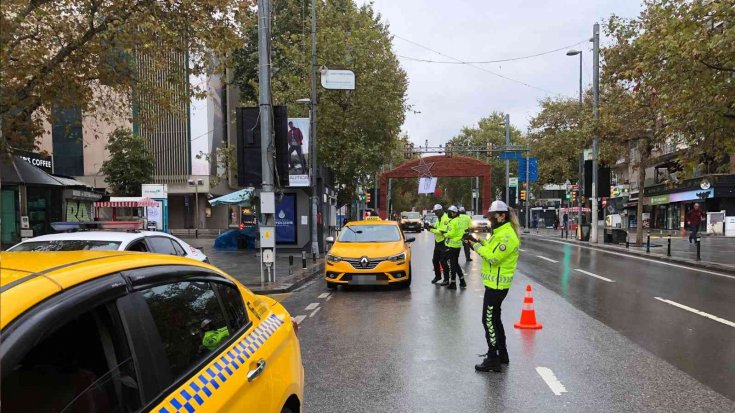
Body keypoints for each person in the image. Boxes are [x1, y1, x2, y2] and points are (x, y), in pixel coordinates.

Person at [464, 200, 520, 373]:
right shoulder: (500, 232)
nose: (490, 219)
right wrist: (475, 240)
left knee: (488, 320)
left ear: (502, 216)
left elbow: (493, 257)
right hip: (494, 284)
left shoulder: (507, 236)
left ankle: (493, 358)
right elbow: (489, 247)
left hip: (497, 285)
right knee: (495, 319)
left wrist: (475, 246)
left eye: (492, 216)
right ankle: (502, 355)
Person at [443, 205, 467, 289]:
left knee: (451, 263)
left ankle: (453, 283)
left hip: (452, 245)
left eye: (449, 212)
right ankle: (462, 281)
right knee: (455, 263)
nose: (448, 214)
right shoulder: (460, 220)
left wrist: (444, 234)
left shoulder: (453, 222)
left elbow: (451, 233)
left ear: (454, 213)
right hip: (458, 245)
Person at [428, 204, 451, 284]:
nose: (435, 213)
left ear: (441, 210)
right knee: (435, 260)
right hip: (438, 242)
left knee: (443, 261)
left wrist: (431, 230)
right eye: (435, 212)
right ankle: (438, 276)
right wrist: (430, 226)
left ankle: (446, 279)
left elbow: (442, 231)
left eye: (436, 212)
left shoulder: (446, 218)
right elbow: (436, 227)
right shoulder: (439, 218)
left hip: (444, 242)